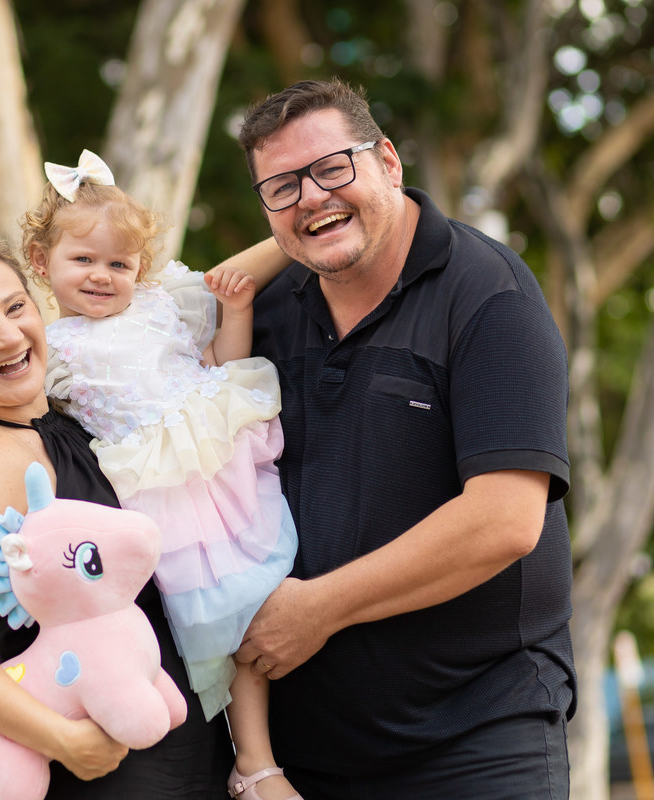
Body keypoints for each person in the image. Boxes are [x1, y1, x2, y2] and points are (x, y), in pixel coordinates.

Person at [230, 78, 576, 799]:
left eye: (332, 168)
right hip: (306, 758)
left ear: (388, 161)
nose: (313, 197)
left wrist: (316, 609)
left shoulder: (487, 295)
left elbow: (505, 521)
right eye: (283, 187)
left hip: (480, 739)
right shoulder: (261, 316)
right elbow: (134, 365)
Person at [0, 224, 235, 798]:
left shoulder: (65, 416)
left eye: (14, 307)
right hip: (117, 772)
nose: (6, 336)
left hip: (182, 747)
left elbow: (202, 289)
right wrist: (60, 740)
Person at [22, 150, 301, 800]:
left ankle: (257, 758)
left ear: (139, 269)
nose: (102, 276)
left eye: (119, 264)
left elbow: (217, 363)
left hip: (221, 473)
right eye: (82, 261)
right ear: (42, 265)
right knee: (215, 623)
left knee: (257, 604)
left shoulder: (158, 306)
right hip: (160, 499)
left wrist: (235, 313)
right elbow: (12, 405)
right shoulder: (51, 347)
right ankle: (253, 764)